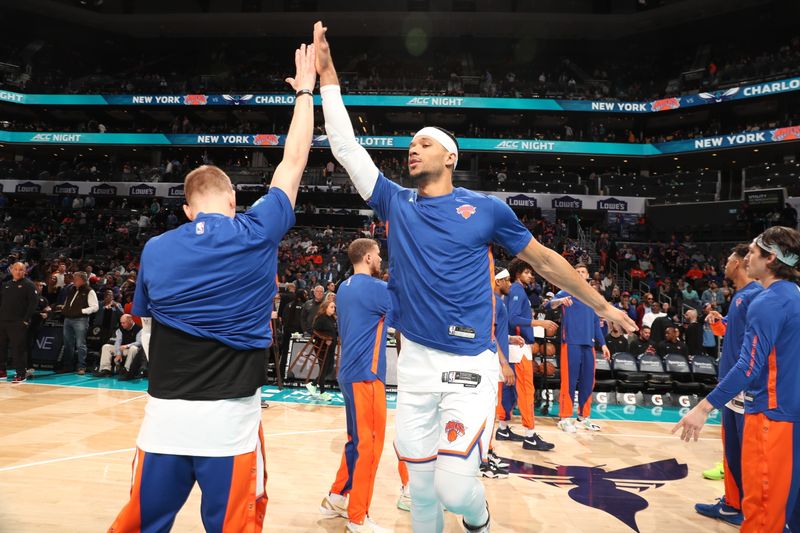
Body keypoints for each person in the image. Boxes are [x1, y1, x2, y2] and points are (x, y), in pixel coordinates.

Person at [315, 21, 636, 533]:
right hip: (416, 363)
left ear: (450, 157)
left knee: (454, 489)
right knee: (420, 494)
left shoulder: (485, 209)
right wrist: (328, 80)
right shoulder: (397, 202)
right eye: (411, 145)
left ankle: (479, 517)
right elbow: (347, 148)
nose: (412, 150)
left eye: (424, 144)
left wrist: (604, 306)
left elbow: (548, 260)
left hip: (469, 363)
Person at [108, 42, 315, 532]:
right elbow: (294, 160)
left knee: (142, 524)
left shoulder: (155, 249)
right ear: (233, 199)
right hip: (229, 423)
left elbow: (147, 323)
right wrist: (305, 91)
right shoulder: (256, 229)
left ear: (186, 209)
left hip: (164, 418)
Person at [674, 227, 800, 533]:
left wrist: (703, 408)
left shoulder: (767, 301)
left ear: (771, 259)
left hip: (770, 416)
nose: (748, 258)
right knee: (789, 513)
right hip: (791, 414)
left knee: (760, 514)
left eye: (754, 252)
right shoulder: (794, 295)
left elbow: (748, 366)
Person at [319, 238, 392, 532]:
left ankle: (337, 497)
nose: (380, 260)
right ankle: (358, 517)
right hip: (366, 376)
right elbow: (412, 311)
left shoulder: (344, 289)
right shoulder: (378, 289)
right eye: (377, 255)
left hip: (348, 373)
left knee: (356, 440)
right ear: (367, 257)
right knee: (370, 446)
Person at [693, 244, 762, 526]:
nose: (726, 265)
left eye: (730, 260)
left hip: (744, 385)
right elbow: (735, 334)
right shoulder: (740, 297)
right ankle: (733, 503)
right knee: (731, 449)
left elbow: (756, 346)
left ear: (740, 263)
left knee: (744, 451)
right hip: (732, 382)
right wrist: (719, 323)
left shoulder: (756, 295)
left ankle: (745, 507)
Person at [549, 263, 611, 433]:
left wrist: (603, 344)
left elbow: (595, 323)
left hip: (588, 343)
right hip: (571, 342)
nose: (579, 274)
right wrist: (560, 301)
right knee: (569, 381)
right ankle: (564, 418)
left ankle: (583, 418)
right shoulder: (567, 289)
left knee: (587, 382)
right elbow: (550, 304)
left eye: (582, 271)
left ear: (588, 275)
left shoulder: (592, 295)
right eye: (576, 271)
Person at [501, 258, 555, 451]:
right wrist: (540, 323)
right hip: (519, 345)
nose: (531, 275)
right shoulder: (516, 289)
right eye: (527, 272)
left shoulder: (514, 291)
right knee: (525, 391)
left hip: (512, 344)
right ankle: (530, 435)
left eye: (531, 273)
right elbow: (513, 318)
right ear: (517, 274)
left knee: (508, 388)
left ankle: (502, 427)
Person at [485, 267, 519, 478]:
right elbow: (490, 334)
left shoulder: (497, 301)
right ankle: (483, 457)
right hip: (494, 362)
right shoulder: (494, 301)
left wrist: (509, 339)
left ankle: (487, 451)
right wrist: (504, 363)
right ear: (498, 282)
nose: (509, 284)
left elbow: (497, 334)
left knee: (490, 413)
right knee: (488, 413)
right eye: (506, 280)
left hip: (496, 359)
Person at [0, 262, 38, 382]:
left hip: (18, 323)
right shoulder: (6, 285)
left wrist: (25, 320)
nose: (18, 272)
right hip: (3, 321)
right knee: (1, 348)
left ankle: (21, 374)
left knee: (18, 349)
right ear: (11, 270)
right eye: (16, 269)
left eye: (21, 270)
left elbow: (33, 304)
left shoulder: (29, 285)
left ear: (25, 271)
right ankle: (2, 372)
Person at [59, 271, 99, 375]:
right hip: (68, 319)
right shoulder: (72, 289)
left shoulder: (89, 291)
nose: (74, 280)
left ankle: (81, 366)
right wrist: (64, 308)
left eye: (76, 279)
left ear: (82, 280)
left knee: (80, 344)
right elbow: (68, 301)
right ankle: (68, 366)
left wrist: (81, 311)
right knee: (68, 344)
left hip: (80, 320)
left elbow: (95, 307)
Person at [92, 314, 142, 380]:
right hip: (121, 349)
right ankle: (106, 369)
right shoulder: (120, 329)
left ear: (130, 321)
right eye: (121, 323)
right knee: (106, 347)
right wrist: (118, 354)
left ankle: (127, 371)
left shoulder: (139, 329)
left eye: (124, 323)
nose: (122, 324)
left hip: (131, 349)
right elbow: (118, 342)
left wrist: (127, 345)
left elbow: (139, 342)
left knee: (133, 348)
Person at [308, 300, 338, 397]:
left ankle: (313, 384)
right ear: (325, 308)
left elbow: (334, 331)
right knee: (324, 368)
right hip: (322, 347)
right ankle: (322, 391)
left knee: (329, 369)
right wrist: (325, 338)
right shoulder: (321, 318)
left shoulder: (332, 318)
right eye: (331, 307)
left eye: (334, 307)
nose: (334, 309)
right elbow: (313, 331)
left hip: (331, 346)